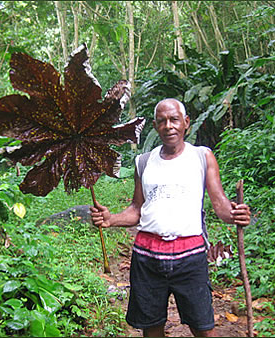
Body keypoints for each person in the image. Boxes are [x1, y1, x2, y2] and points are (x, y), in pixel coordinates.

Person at [90, 98, 251, 337]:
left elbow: (221, 206)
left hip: (190, 256)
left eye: (174, 119)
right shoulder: (143, 162)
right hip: (147, 257)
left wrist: (236, 214)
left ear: (186, 123)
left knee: (203, 327)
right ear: (155, 126)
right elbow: (137, 209)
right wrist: (110, 219)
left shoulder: (202, 157)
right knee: (151, 327)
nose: (169, 126)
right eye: (162, 121)